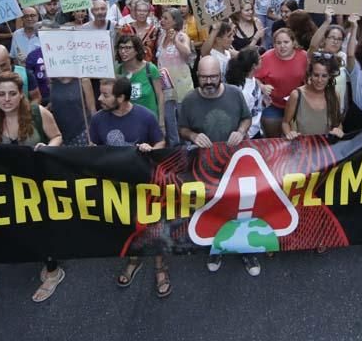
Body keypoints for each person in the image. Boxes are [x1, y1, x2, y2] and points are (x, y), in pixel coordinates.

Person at [0, 72, 64, 302]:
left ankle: (53, 271)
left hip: (40, 182)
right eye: (1, 94)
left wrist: (47, 147)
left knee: (42, 226)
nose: (6, 99)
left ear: (21, 95)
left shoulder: (38, 113)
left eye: (12, 94)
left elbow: (57, 137)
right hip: (12, 185)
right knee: (26, 226)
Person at [90, 77, 169, 297]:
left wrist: (151, 148)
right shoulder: (97, 120)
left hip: (145, 184)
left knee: (153, 227)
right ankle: (134, 260)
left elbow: (161, 143)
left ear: (121, 98)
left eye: (105, 95)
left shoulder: (145, 116)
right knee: (127, 226)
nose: (99, 99)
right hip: (117, 187)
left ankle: (160, 267)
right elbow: (94, 147)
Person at [178, 56, 255, 274]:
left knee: (241, 208)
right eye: (204, 77)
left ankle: (246, 251)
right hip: (205, 166)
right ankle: (217, 247)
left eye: (213, 76)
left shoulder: (234, 93)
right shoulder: (189, 100)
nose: (209, 81)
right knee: (214, 209)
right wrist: (192, 135)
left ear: (220, 75)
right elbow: (182, 128)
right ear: (197, 76)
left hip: (236, 164)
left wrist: (240, 131)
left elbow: (246, 118)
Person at [256, 28, 309, 138]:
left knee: (297, 137)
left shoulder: (304, 56)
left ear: (293, 42)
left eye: (286, 42)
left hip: (298, 104)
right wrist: (262, 86)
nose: (282, 46)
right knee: (273, 138)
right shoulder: (266, 58)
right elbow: (253, 78)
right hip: (273, 104)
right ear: (274, 44)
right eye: (278, 43)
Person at [282, 54, 344, 139]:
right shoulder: (296, 95)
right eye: (316, 75)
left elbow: (337, 124)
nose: (319, 80)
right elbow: (285, 123)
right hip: (302, 148)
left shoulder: (334, 95)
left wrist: (339, 130)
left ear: (330, 76)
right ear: (310, 74)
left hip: (325, 148)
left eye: (324, 76)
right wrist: (289, 134)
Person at [155, 8, 194, 145]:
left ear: (174, 21)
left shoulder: (182, 36)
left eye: (166, 18)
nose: (162, 21)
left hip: (181, 84)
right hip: (165, 85)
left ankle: (187, 148)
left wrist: (175, 41)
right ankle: (174, 149)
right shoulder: (160, 37)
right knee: (169, 119)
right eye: (162, 18)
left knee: (183, 118)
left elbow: (187, 53)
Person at [114, 34, 164, 128]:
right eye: (121, 48)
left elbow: (160, 96)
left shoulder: (150, 69)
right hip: (128, 122)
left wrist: (161, 122)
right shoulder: (118, 71)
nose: (123, 51)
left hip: (149, 121)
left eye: (128, 48)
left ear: (137, 50)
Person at [225, 47, 264, 139]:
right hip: (248, 135)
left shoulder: (250, 78)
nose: (262, 59)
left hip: (256, 129)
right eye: (259, 58)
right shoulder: (244, 93)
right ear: (254, 66)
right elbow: (241, 118)